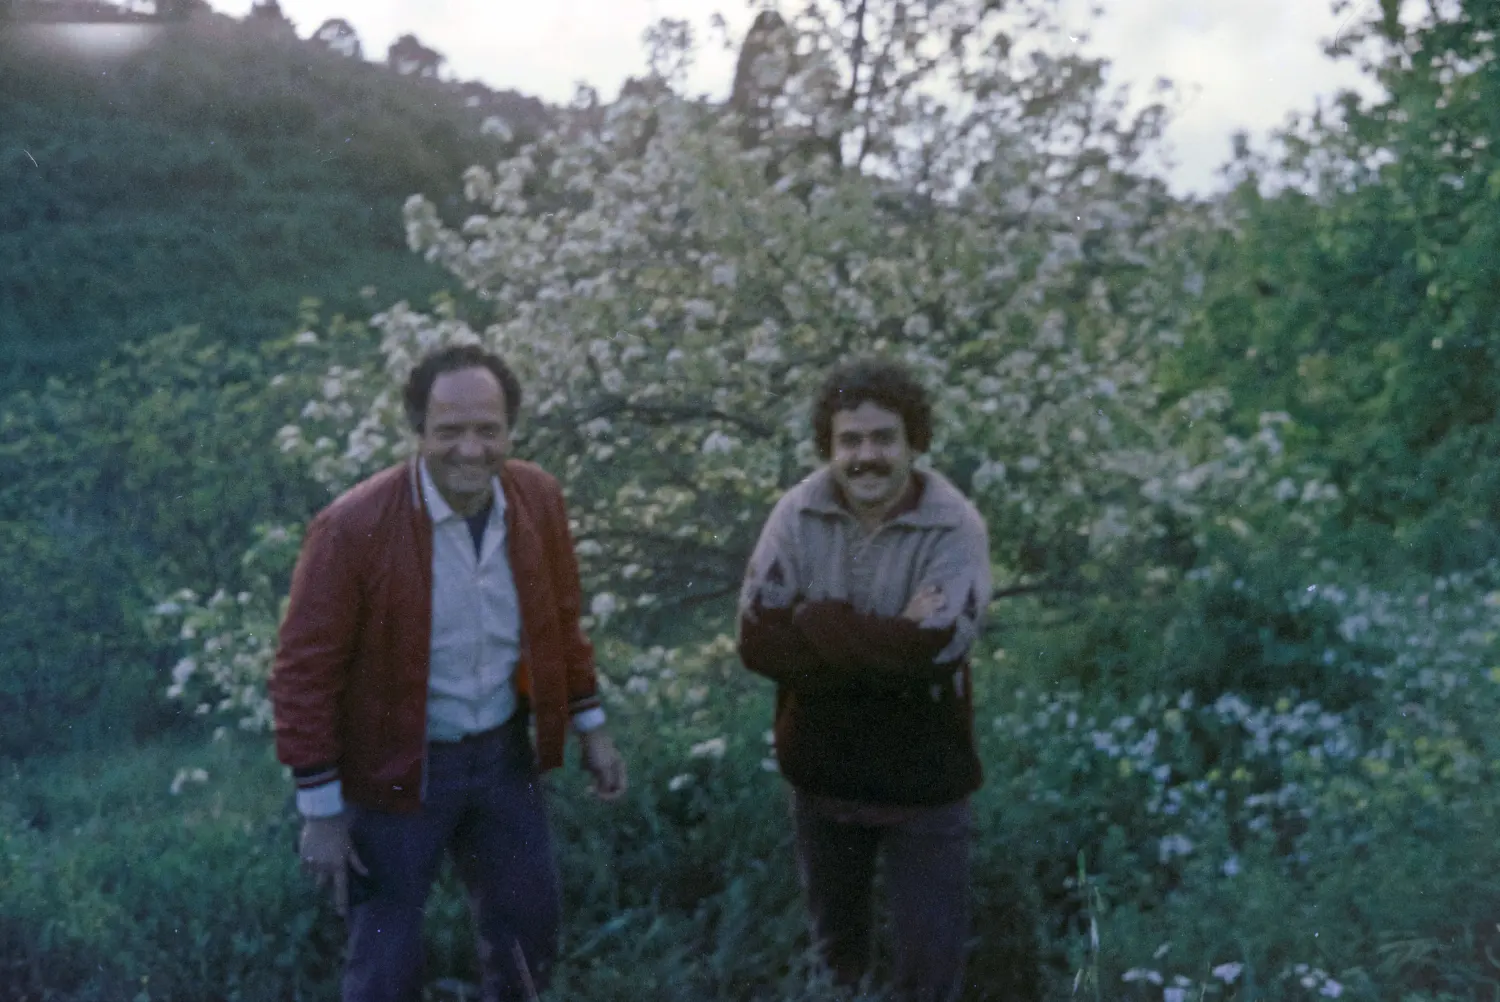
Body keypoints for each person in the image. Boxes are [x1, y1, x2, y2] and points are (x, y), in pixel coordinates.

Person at [269, 343, 627, 1002]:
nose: (471, 449)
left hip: (502, 761)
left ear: (510, 431)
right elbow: (302, 672)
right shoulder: (353, 527)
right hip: (394, 771)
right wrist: (320, 811)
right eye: (450, 431)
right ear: (419, 434)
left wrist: (591, 728)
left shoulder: (537, 499)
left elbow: (561, 622)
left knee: (528, 933)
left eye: (488, 430)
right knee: (386, 960)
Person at [737, 359, 992, 1002]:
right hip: (823, 780)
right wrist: (885, 643)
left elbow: (935, 648)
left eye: (884, 438)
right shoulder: (796, 515)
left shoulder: (954, 524)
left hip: (925, 785)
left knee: (928, 975)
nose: (866, 456)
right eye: (850, 440)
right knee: (836, 967)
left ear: (915, 444)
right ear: (829, 446)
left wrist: (818, 620)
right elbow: (758, 641)